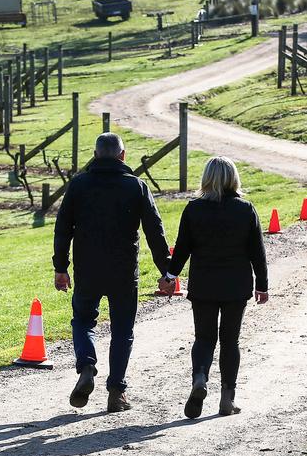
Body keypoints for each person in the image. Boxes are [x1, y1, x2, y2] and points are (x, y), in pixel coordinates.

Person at [53, 132, 171, 412]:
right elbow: (155, 230)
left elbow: (62, 229)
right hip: (123, 271)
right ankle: (116, 393)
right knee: (122, 330)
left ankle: (87, 366)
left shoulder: (79, 184)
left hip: (87, 269)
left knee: (82, 321)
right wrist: (167, 271)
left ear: (95, 155)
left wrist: (61, 267)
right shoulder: (136, 187)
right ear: (123, 156)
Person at [158, 156, 268, 419]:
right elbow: (257, 252)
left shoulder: (194, 209)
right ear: (233, 179)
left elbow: (182, 248)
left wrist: (170, 276)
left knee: (204, 338)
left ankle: (200, 378)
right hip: (236, 285)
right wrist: (262, 285)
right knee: (231, 341)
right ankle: (227, 400)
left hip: (204, 284)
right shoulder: (245, 209)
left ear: (206, 178)